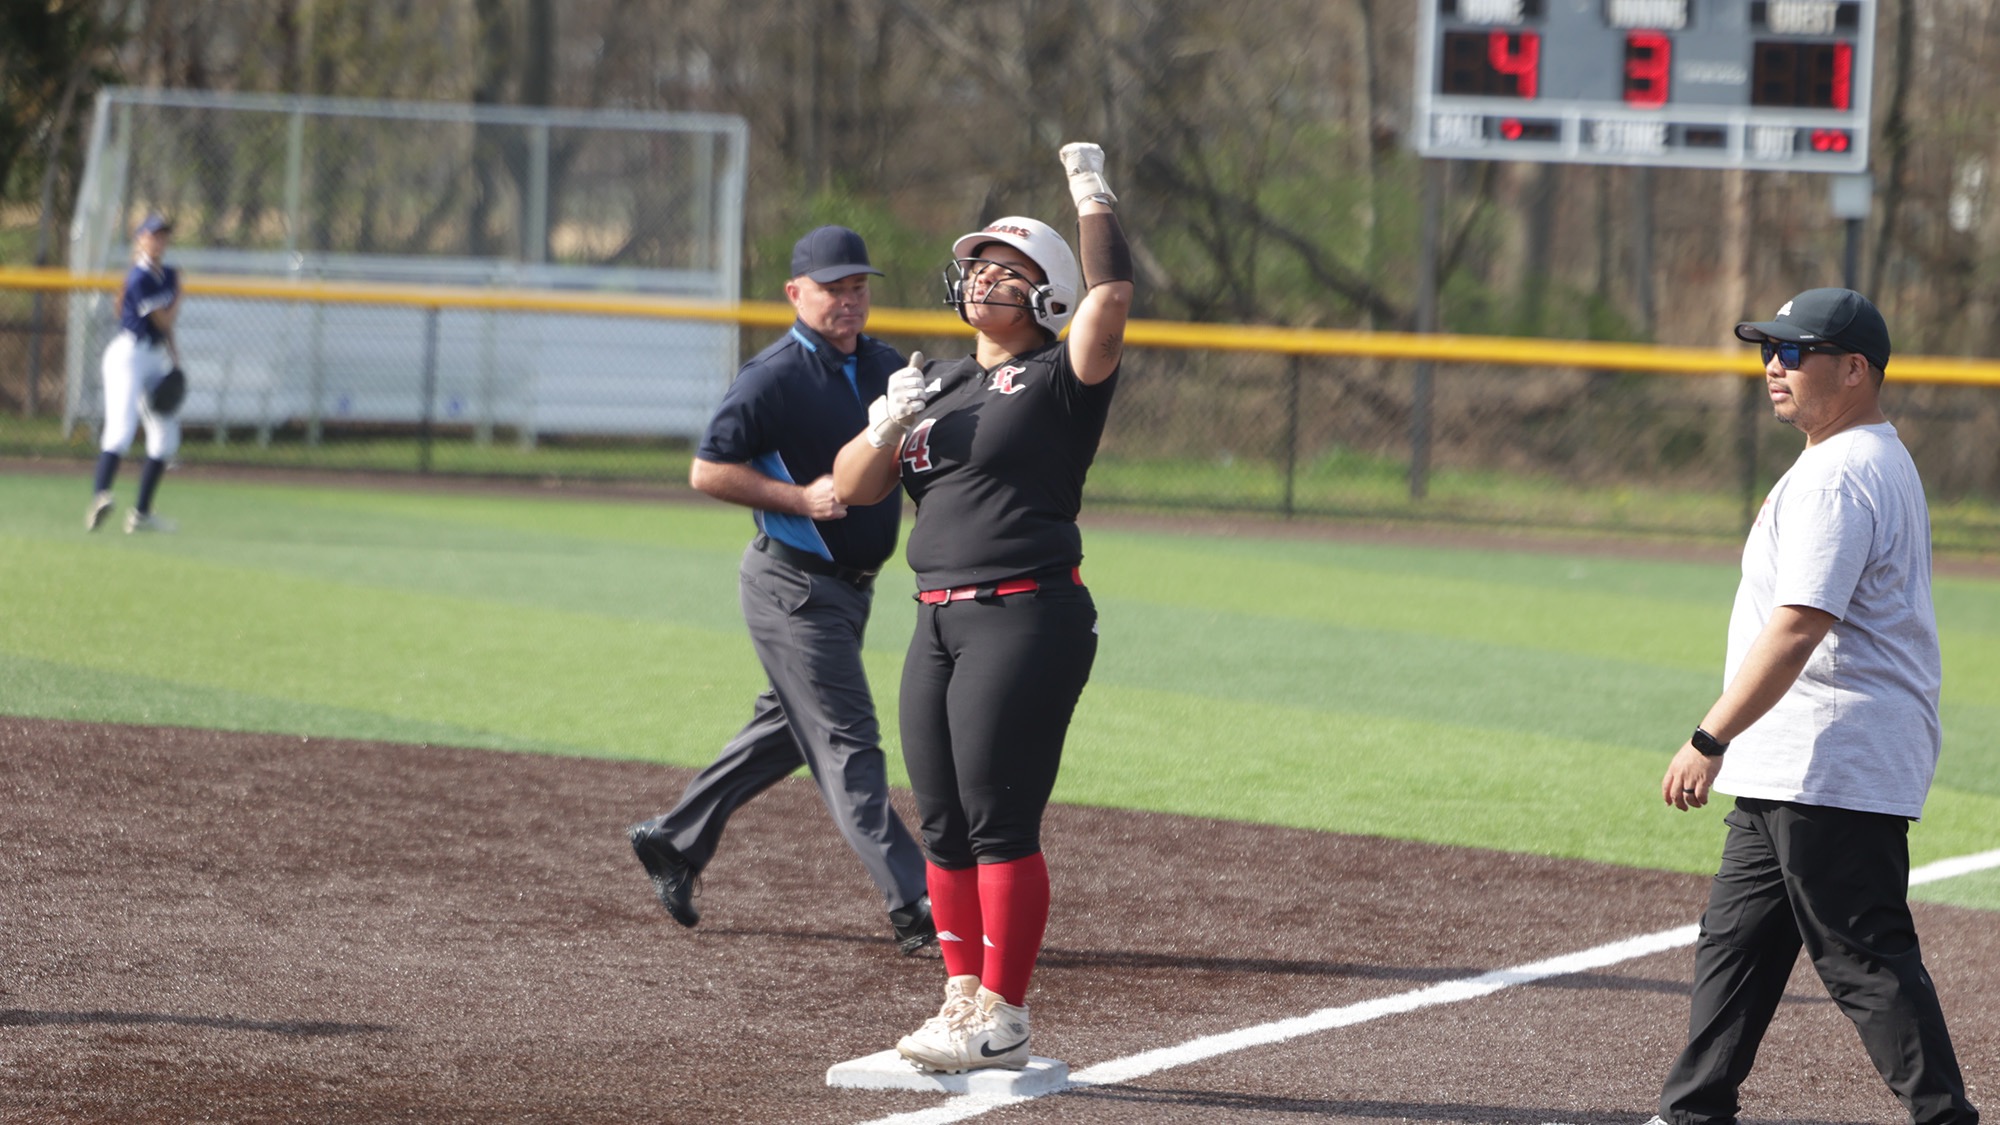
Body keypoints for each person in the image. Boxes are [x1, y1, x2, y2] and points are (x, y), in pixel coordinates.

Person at [830, 142, 1134, 1073]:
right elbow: (849, 487)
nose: (980, 280)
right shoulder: (939, 383)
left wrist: (1091, 194)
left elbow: (1111, 301)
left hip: (1026, 611)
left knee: (1001, 819)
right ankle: (961, 995)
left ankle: (1005, 1010)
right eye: (974, 267)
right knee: (943, 820)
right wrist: (884, 424)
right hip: (937, 617)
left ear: (1047, 296)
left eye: (1005, 270)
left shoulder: (1058, 378)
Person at [1649, 288, 1980, 1125]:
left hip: (1831, 762)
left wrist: (1708, 733)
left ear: (1855, 369)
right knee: (1737, 948)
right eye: (1770, 349)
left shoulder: (1843, 472)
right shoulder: (1853, 458)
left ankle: (1946, 1119)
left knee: (1863, 958)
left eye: (1795, 352)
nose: (1774, 366)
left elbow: (1798, 626)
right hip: (1791, 764)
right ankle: (1692, 1111)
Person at [626, 226, 936, 956]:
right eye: (833, 288)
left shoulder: (885, 367)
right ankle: (917, 901)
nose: (848, 300)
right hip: (791, 586)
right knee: (848, 740)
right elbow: (707, 470)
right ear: (796, 293)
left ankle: (674, 840)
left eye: (858, 286)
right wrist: (798, 499)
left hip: (848, 592)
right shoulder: (770, 376)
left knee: (788, 731)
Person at [88, 212, 184, 534]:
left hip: (155, 357)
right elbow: (164, 321)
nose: (158, 240)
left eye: (163, 234)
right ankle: (101, 496)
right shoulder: (140, 278)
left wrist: (176, 360)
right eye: (152, 234)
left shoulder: (167, 274)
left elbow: (168, 331)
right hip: (128, 356)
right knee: (122, 428)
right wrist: (180, 294)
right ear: (140, 239)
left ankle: (141, 514)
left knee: (166, 437)